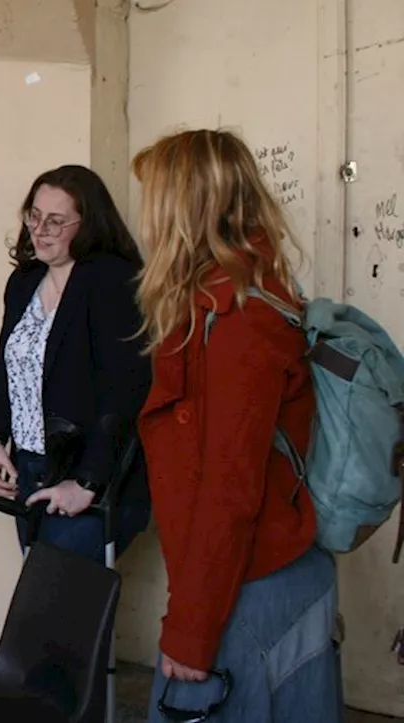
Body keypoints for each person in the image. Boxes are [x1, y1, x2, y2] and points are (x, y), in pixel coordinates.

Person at [132, 129, 339, 722]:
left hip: (248, 587)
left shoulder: (239, 317)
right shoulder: (234, 298)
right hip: (255, 575)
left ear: (186, 207)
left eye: (156, 199)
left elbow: (229, 490)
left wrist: (192, 632)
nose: (147, 218)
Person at [0, 165, 151, 564]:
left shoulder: (112, 280)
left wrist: (88, 482)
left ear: (88, 225)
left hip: (88, 471)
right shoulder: (25, 281)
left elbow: (126, 390)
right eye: (34, 216)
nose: (40, 231)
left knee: (59, 611)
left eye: (56, 222)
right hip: (30, 467)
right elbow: (6, 366)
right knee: (48, 607)